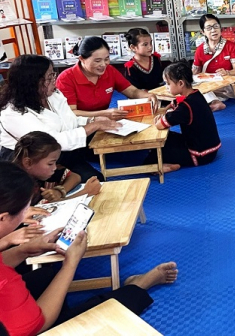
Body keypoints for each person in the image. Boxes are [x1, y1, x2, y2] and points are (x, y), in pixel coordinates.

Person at [0, 162, 178, 335]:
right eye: (25, 210)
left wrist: (23, 250)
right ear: (3, 218)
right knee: (103, 312)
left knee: (44, 276)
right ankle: (137, 286)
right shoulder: (6, 280)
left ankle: (63, 314)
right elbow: (39, 325)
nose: (28, 213)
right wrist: (70, 264)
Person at [0, 55, 119, 182]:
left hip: (61, 152)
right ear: (31, 82)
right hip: (34, 160)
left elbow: (69, 121)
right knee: (92, 181)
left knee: (96, 177)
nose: (54, 81)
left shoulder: (52, 94)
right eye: (49, 77)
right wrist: (93, 125)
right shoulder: (12, 113)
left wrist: (92, 120)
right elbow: (52, 142)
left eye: (53, 74)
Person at [56, 37, 157, 119]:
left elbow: (132, 91)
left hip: (104, 123)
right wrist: (104, 114)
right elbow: (71, 113)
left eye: (107, 59)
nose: (103, 64)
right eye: (97, 61)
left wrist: (148, 96)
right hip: (79, 129)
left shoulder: (109, 70)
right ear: (82, 59)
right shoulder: (66, 79)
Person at [150, 61, 220, 173]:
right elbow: (175, 104)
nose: (166, 87)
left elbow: (159, 125)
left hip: (200, 155)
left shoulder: (185, 107)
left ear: (180, 83)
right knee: (168, 137)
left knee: (155, 151)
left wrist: (162, 117)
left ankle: (162, 166)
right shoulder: (196, 94)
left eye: (168, 83)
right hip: (209, 148)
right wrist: (168, 110)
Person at [13, 131, 101, 211]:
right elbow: (40, 212)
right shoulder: (16, 186)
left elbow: (75, 176)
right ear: (28, 163)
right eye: (50, 164)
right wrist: (85, 193)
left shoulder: (39, 172)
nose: (55, 167)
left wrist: (59, 191)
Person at [191, 14, 235, 112]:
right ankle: (216, 101)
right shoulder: (199, 50)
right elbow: (195, 72)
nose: (213, 30)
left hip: (225, 83)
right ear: (203, 32)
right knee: (194, 86)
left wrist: (227, 73)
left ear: (220, 28)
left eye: (216, 26)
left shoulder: (231, 46)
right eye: (209, 28)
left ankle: (211, 100)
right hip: (208, 84)